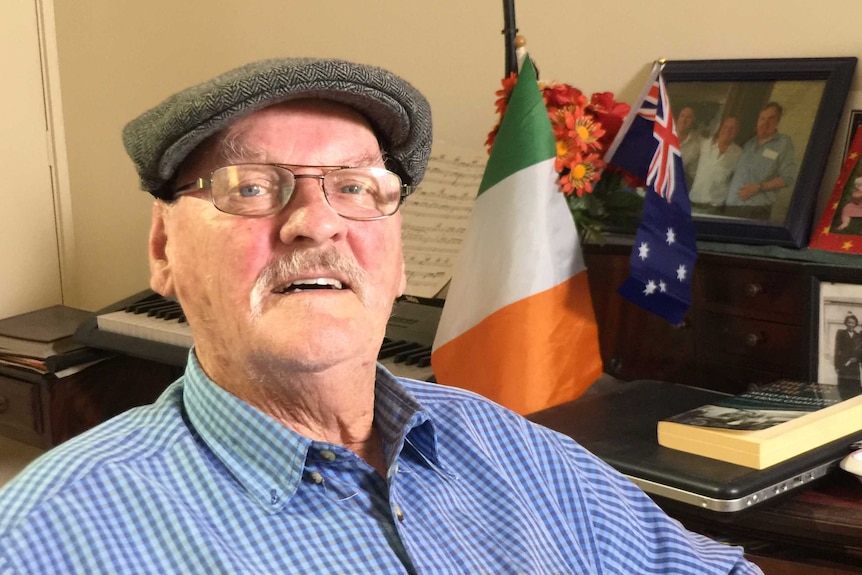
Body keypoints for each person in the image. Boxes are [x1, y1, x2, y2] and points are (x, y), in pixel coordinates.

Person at [0, 57, 762, 574]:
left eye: (356, 187)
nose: (316, 223)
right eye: (250, 185)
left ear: (397, 258)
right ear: (164, 249)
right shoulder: (49, 535)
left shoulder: (514, 448)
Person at [725, 101, 797, 220]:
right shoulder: (749, 144)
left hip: (756, 210)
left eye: (771, 119)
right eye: (762, 118)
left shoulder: (784, 143)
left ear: (777, 121)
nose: (765, 123)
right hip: (731, 207)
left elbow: (788, 178)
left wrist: (759, 187)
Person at [689, 115, 742, 215]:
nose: (728, 130)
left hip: (715, 210)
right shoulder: (704, 144)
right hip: (693, 206)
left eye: (732, 128)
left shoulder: (739, 154)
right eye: (726, 127)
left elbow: (738, 181)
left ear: (737, 132)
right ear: (720, 128)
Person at [834, 312, 862, 396]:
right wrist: (837, 366)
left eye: (853, 323)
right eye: (849, 322)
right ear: (846, 323)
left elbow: (861, 351)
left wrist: (857, 359)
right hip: (844, 365)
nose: (851, 325)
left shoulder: (859, 336)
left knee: (855, 390)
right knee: (843, 389)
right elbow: (837, 349)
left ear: (855, 324)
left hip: (854, 367)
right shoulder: (841, 333)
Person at [676, 105, 702, 189]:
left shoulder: (697, 145)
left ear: (693, 121)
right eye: (682, 116)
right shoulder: (663, 133)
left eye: (688, 117)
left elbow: (692, 174)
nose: (684, 120)